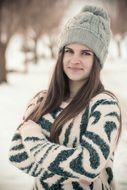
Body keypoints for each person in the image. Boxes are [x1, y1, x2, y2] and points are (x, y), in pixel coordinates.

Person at [9, 5, 121, 190]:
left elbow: (89, 165)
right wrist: (72, 171)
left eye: (86, 53)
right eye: (69, 50)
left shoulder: (104, 105)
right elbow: (17, 155)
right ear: (61, 54)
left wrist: (34, 140)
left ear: (97, 60)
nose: (75, 59)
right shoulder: (41, 100)